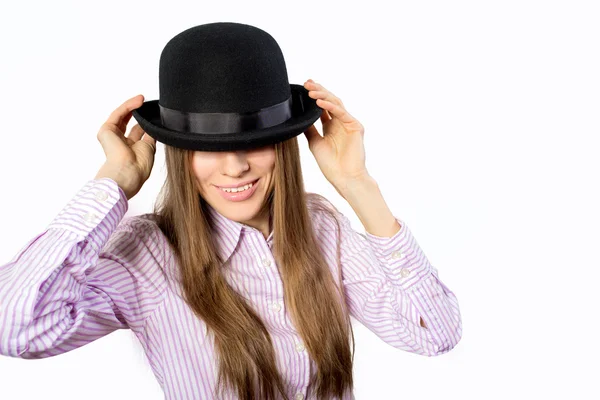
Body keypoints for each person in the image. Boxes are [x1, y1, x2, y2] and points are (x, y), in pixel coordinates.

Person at [0, 23, 462, 400]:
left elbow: (433, 333)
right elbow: (14, 326)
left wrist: (359, 188)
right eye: (209, 148)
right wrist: (112, 186)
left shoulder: (323, 228)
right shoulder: (147, 257)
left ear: (283, 144)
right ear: (180, 153)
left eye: (254, 142)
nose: (236, 166)